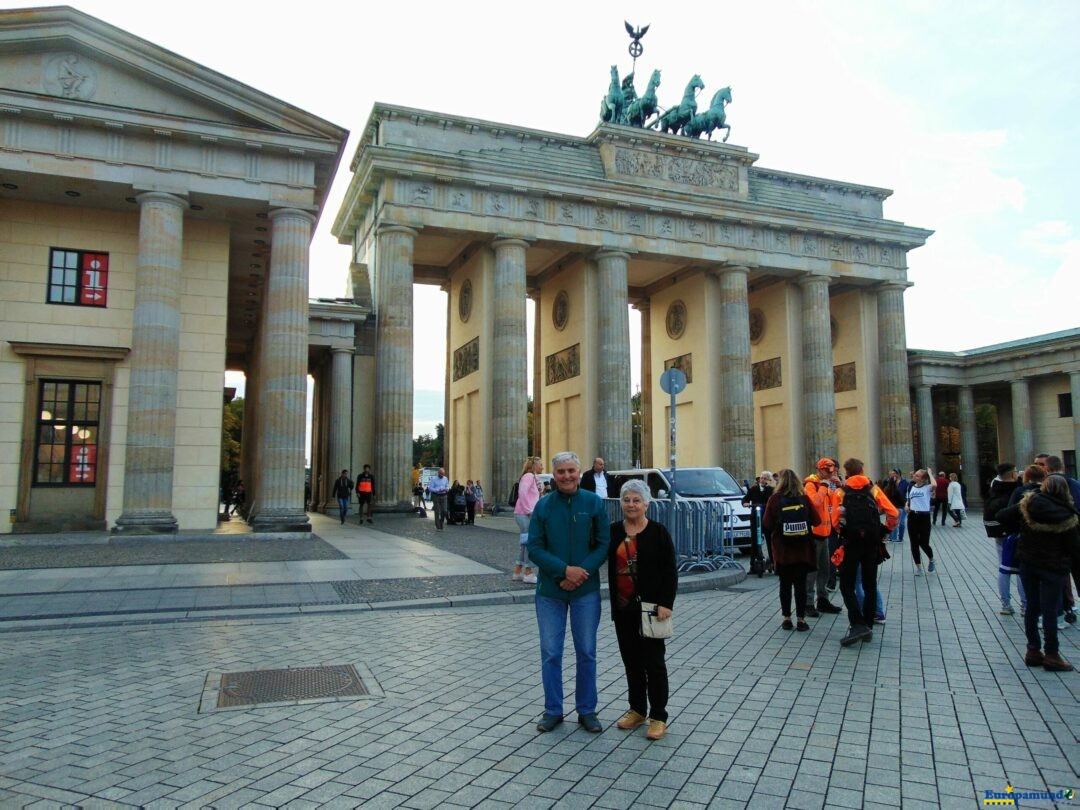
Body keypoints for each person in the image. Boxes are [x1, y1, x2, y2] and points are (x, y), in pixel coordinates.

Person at [527, 451, 609, 733]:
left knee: (586, 651)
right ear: (554, 474)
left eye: (571, 470)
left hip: (585, 589)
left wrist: (579, 573)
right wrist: (564, 571)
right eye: (561, 471)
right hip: (551, 589)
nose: (566, 476)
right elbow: (535, 547)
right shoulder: (544, 506)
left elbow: (603, 544)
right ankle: (553, 709)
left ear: (579, 471)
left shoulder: (594, 502)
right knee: (551, 652)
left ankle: (587, 709)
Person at [608, 479, 677, 741]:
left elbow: (670, 571)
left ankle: (658, 716)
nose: (631, 504)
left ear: (646, 504)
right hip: (623, 608)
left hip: (651, 609)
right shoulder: (614, 531)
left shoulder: (658, 532)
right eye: (627, 500)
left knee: (655, 664)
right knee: (631, 662)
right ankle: (637, 709)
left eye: (637, 500)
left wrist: (666, 604)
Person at [997, 476, 1080, 672]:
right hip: (1054, 566)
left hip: (1028, 563)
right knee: (1050, 610)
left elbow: (1001, 515)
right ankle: (1052, 654)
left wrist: (1020, 530)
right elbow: (1075, 549)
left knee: (1032, 607)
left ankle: (1033, 650)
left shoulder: (1029, 504)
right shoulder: (1068, 515)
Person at [834, 459, 898, 646]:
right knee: (870, 584)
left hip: (851, 543)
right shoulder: (873, 489)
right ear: (862, 470)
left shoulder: (841, 492)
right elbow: (893, 513)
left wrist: (843, 532)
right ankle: (868, 624)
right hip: (871, 543)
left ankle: (857, 623)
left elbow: (835, 520)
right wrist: (885, 529)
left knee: (847, 585)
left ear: (847, 472)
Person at [762, 469, 820, 632]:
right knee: (800, 586)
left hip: (783, 551)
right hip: (803, 551)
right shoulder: (804, 498)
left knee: (785, 585)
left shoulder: (774, 499)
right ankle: (801, 619)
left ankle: (787, 618)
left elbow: (767, 523)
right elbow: (818, 520)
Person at [803, 459, 843, 616]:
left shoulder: (826, 486)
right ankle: (807, 603)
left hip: (825, 534)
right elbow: (816, 503)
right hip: (813, 535)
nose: (831, 473)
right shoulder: (811, 485)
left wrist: (840, 486)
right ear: (820, 470)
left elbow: (837, 500)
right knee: (812, 571)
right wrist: (825, 485)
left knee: (825, 571)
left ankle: (823, 600)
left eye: (832, 471)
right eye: (828, 471)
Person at [984, 463, 1025, 615]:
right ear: (1012, 474)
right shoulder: (1017, 490)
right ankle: (1025, 605)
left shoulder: (994, 489)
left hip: (998, 533)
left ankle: (1006, 604)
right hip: (1014, 533)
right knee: (1021, 568)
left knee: (1004, 568)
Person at [513, 458, 543, 584]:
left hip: (524, 513)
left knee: (525, 543)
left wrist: (540, 489)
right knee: (531, 542)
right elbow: (523, 493)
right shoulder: (529, 476)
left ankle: (518, 571)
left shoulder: (531, 477)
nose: (542, 466)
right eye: (540, 464)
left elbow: (530, 494)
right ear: (534, 465)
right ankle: (529, 572)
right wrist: (528, 510)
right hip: (525, 513)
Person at [742, 471, 775, 572]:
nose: (762, 480)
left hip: (767, 519)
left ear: (769, 480)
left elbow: (774, 501)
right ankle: (753, 566)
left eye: (765, 478)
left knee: (770, 541)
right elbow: (745, 499)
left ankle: (773, 563)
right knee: (754, 541)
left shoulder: (771, 490)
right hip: (755, 518)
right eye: (761, 478)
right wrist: (745, 503)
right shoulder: (753, 489)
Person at [906, 469, 936, 575]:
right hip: (912, 516)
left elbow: (934, 484)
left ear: (923, 479)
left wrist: (930, 474)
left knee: (923, 543)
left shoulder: (927, 488)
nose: (914, 476)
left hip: (924, 517)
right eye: (915, 475)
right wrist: (907, 505)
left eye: (918, 476)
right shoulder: (911, 487)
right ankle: (918, 567)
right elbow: (909, 499)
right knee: (914, 542)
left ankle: (931, 559)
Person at [886, 469, 909, 542]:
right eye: (891, 473)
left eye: (894, 473)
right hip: (895, 506)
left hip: (901, 506)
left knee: (901, 522)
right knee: (893, 522)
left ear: (898, 474)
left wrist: (906, 504)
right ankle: (893, 537)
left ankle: (899, 537)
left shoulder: (905, 482)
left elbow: (907, 494)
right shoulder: (889, 485)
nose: (892, 475)